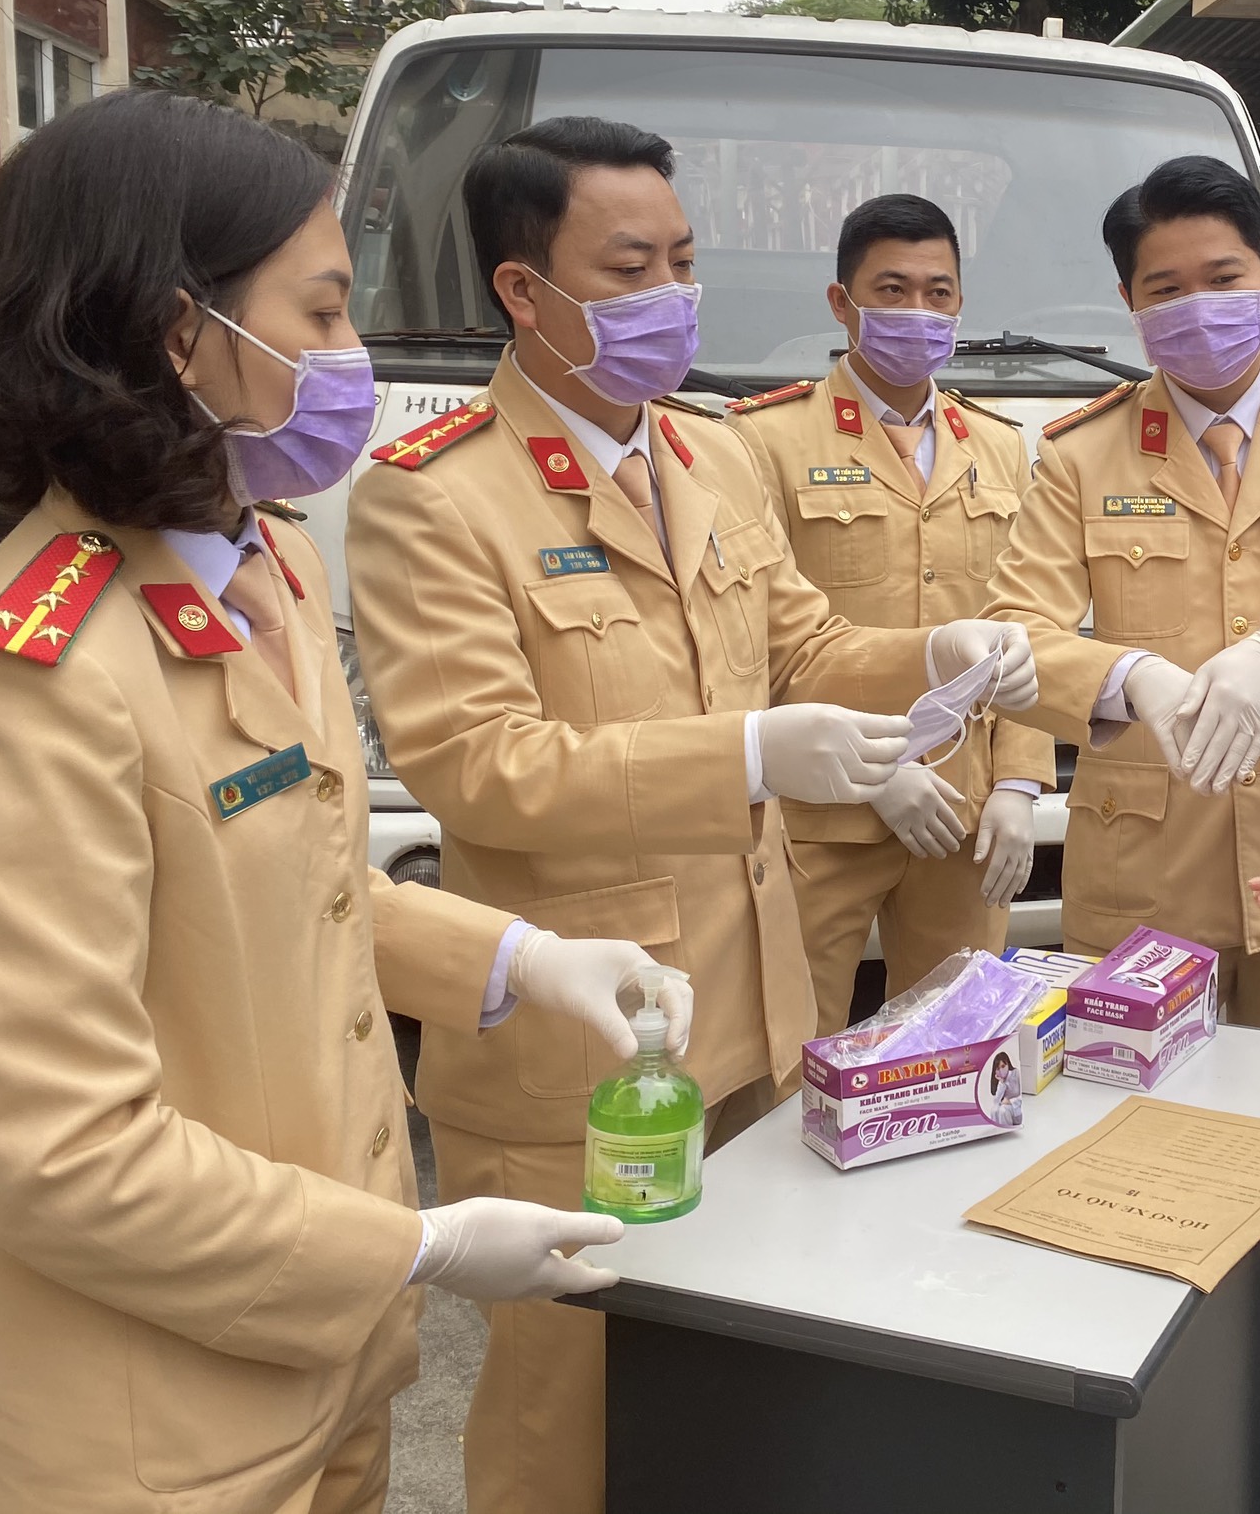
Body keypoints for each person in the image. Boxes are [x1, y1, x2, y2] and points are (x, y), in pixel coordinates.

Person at [0, 91, 682, 1514]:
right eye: (318, 316)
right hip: (135, 1440)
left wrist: (513, 957)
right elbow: (60, 1155)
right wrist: (417, 1245)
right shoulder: (22, 684)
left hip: (320, 1373)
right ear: (179, 334)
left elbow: (288, 881)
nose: (351, 361)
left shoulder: (267, 569)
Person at [344, 116, 1032, 1514]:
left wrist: (935, 652)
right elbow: (484, 767)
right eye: (628, 266)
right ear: (522, 292)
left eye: (684, 259)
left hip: (763, 1010)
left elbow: (805, 645)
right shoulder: (434, 498)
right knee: (573, 1412)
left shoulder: (710, 456)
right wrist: (753, 754)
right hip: (593, 1046)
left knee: (744, 1380)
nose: (671, 293)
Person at [990, 154, 1260, 1514]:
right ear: (1131, 305)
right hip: (1143, 861)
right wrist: (1119, 682)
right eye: (1165, 289)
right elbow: (1019, 628)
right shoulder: (1076, 454)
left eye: (1223, 279)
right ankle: (1144, 1417)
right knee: (1133, 1145)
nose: (1199, 311)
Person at [727, 193, 1054, 1031]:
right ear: (843, 305)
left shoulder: (1000, 443)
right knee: (791, 1050)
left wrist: (1020, 783)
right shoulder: (760, 441)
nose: (918, 312)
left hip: (965, 810)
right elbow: (750, 633)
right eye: (893, 290)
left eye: (938, 293)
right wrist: (876, 776)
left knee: (957, 1044)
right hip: (820, 811)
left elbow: (1023, 620)